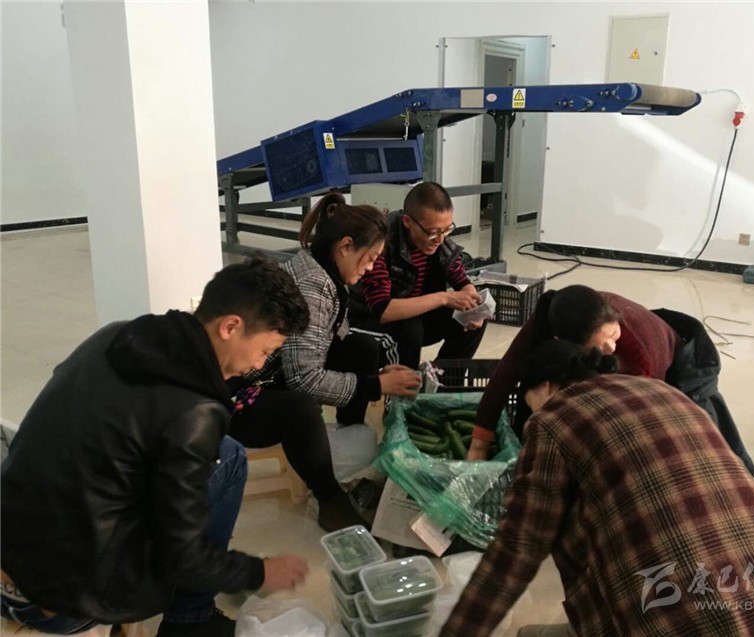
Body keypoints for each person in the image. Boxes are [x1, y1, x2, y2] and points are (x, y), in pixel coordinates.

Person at [1, 257, 312, 636]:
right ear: (230, 326)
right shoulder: (195, 413)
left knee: (226, 451)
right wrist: (260, 572)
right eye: (264, 351)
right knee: (230, 461)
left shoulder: (117, 335)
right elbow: (181, 557)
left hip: (10, 541)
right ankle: (191, 621)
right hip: (62, 598)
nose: (258, 366)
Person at [441, 340, 754, 637]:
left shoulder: (554, 419)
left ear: (545, 386)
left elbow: (517, 549)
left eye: (531, 403)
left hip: (678, 613)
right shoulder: (666, 392)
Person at [228, 194, 421, 530]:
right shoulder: (311, 287)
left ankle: (347, 436)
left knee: (363, 347)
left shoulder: (322, 270)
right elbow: (303, 379)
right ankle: (329, 497)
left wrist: (377, 374)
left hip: (278, 374)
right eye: (370, 258)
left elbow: (329, 340)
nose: (371, 267)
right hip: (242, 399)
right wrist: (376, 385)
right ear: (345, 247)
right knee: (301, 407)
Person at [466, 284, 754, 477]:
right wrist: (480, 443)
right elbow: (508, 371)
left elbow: (632, 425)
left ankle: (739, 473)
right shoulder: (558, 310)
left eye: (613, 335)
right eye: (600, 345)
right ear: (566, 343)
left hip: (687, 363)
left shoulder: (639, 358)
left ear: (613, 317)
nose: (611, 347)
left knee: (702, 443)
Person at [350, 181, 487, 368]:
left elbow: (461, 279)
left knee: (472, 319)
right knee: (410, 328)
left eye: (447, 230)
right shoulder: (381, 241)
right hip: (369, 321)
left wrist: (473, 305)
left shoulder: (438, 237)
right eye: (433, 233)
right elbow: (383, 310)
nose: (440, 240)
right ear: (407, 221)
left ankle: (442, 380)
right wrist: (444, 298)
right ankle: (407, 383)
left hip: (416, 319)